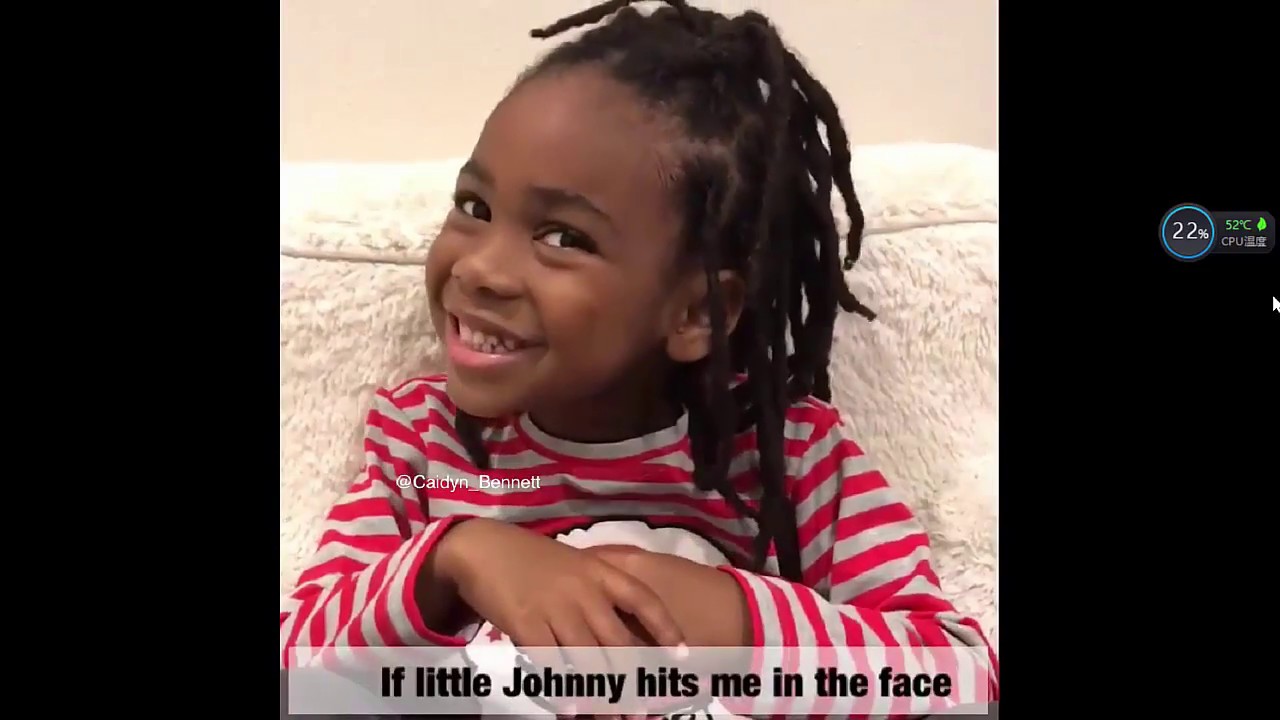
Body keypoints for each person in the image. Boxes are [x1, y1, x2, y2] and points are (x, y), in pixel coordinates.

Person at [279, 0, 998, 710]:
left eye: (563, 238)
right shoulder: (425, 445)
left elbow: (962, 681)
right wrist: (456, 558)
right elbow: (297, 667)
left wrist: (737, 626)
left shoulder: (793, 460)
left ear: (694, 312)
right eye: (475, 207)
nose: (480, 269)